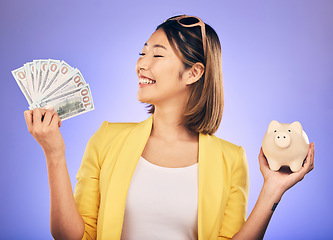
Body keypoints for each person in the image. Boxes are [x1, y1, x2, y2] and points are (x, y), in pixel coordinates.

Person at [24, 15, 315, 240]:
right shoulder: (107, 138)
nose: (141, 64)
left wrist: (272, 191)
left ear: (193, 72)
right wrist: (54, 153)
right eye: (142, 52)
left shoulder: (231, 158)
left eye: (157, 55)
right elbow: (73, 235)